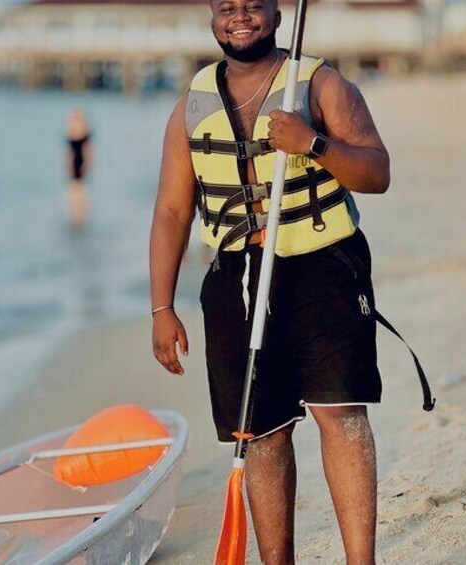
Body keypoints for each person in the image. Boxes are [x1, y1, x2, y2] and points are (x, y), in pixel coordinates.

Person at [149, 0, 423, 562]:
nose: (240, 16)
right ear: (213, 18)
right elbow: (173, 213)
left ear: (277, 14)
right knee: (263, 433)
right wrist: (161, 308)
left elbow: (378, 173)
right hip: (236, 277)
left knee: (340, 414)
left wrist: (313, 144)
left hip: (323, 263)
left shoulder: (322, 86)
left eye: (253, 5)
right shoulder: (190, 106)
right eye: (227, 7)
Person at [65, 109, 93, 231]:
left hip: (79, 163)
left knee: (80, 190)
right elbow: (68, 154)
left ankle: (81, 215)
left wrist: (88, 166)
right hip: (75, 164)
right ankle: (76, 215)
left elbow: (88, 153)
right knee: (74, 191)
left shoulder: (84, 136)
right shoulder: (72, 134)